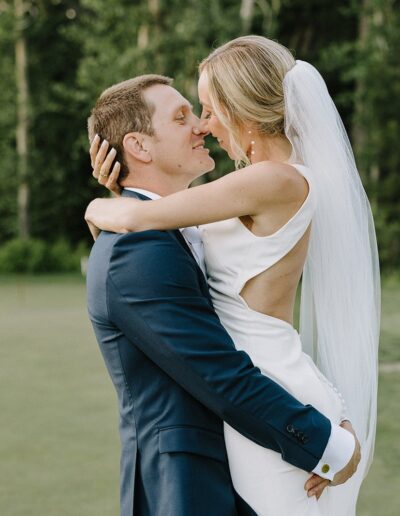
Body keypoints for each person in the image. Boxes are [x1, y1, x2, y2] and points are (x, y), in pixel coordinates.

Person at [85, 60, 367, 516]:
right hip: (235, 437)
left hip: (274, 405)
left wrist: (105, 202)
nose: (200, 125)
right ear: (138, 144)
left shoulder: (257, 187)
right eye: (183, 117)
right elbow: (216, 370)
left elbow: (143, 218)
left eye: (206, 110)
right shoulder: (141, 248)